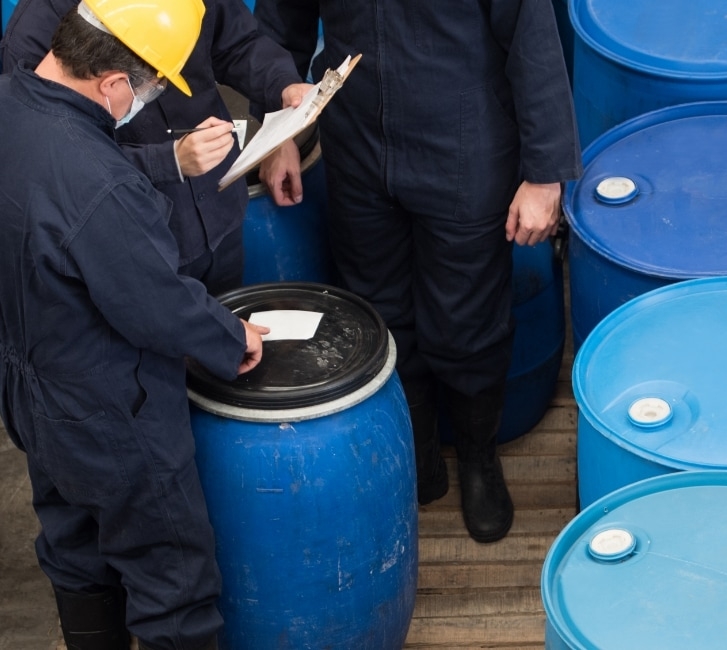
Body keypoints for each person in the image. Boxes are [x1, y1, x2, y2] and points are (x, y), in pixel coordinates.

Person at [254, 0, 583, 543]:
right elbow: (279, 27)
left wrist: (546, 176)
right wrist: (280, 131)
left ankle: (479, 461)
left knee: (467, 318)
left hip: (463, 141)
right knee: (378, 307)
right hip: (356, 144)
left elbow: (533, 38)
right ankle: (418, 458)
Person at [0, 1, 271, 648]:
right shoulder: (101, 186)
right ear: (114, 84)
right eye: (149, 89)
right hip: (114, 414)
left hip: (33, 391)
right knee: (173, 584)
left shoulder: (10, 104)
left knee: (73, 546)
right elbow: (155, 302)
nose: (146, 103)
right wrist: (232, 339)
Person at [1, 0, 314, 296]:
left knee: (233, 337)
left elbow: (237, 44)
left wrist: (282, 85)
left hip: (219, 211)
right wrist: (168, 161)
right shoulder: (37, 27)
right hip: (134, 240)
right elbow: (46, 161)